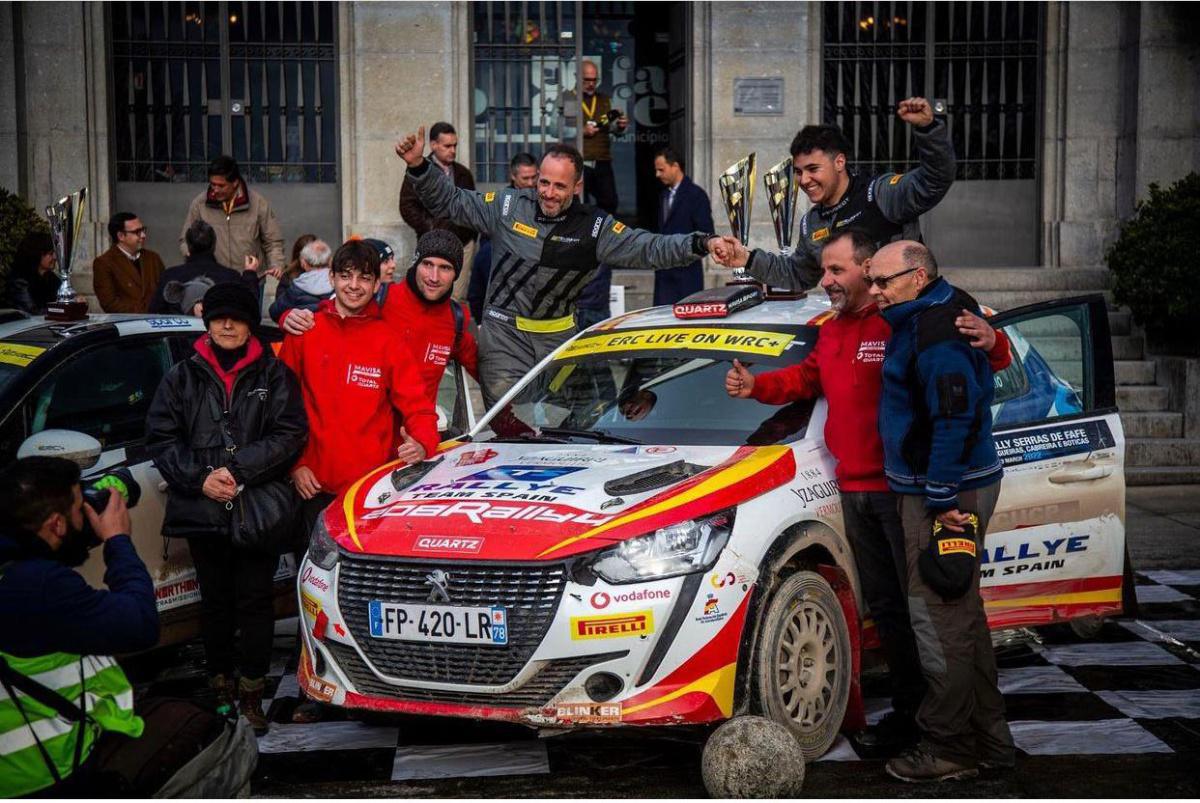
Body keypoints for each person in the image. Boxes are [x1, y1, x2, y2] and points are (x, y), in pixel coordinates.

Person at [724, 228, 1010, 758]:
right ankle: (914, 718)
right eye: (825, 272)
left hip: (911, 493)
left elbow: (968, 372)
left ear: (869, 272)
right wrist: (757, 387)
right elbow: (808, 380)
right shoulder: (833, 330)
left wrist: (998, 343)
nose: (828, 281)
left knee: (930, 614)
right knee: (892, 611)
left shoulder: (908, 320)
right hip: (854, 491)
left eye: (839, 271)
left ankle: (950, 738)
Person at [395, 130, 725, 407]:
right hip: (503, 337)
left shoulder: (595, 227)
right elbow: (453, 202)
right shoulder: (509, 205)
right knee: (513, 419)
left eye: (559, 186)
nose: (548, 194)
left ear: (577, 186)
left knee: (568, 423)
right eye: (543, 183)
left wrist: (700, 243)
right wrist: (419, 167)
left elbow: (649, 247)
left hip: (559, 340)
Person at [868, 240, 1012, 783]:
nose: (876, 291)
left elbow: (953, 416)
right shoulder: (937, 309)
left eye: (884, 282)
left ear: (919, 276)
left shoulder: (935, 329)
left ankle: (950, 747)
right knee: (962, 620)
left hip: (944, 497)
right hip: (949, 488)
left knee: (938, 622)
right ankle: (991, 745)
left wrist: (941, 498)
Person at [146, 281, 307, 736]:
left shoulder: (274, 374)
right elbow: (161, 436)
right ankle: (221, 691)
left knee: (255, 602)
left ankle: (253, 695)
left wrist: (237, 472)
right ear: (208, 322)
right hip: (203, 509)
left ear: (249, 322)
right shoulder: (182, 375)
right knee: (215, 602)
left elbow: (290, 432)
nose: (228, 325)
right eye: (219, 318)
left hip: (257, 508)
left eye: (236, 317)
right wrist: (201, 477)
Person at [0, 457, 157, 797]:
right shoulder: (40, 588)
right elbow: (141, 624)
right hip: (42, 774)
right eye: (77, 507)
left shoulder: (15, 574)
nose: (83, 513)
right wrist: (118, 540)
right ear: (56, 525)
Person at [279, 238, 439, 550]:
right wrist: (295, 464)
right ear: (331, 278)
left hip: (371, 493)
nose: (354, 286)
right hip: (313, 488)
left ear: (378, 283)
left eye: (365, 278)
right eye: (346, 276)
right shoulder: (304, 333)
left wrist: (422, 443)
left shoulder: (388, 340)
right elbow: (278, 409)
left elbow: (418, 406)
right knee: (316, 586)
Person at [715, 98, 955, 291]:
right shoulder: (812, 222)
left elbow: (933, 181)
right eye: (798, 172)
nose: (804, 180)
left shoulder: (880, 193)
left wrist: (928, 129)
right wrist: (746, 259)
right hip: (857, 332)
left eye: (813, 169)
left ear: (839, 162)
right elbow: (798, 275)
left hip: (904, 323)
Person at [278, 231, 478, 405]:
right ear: (415, 264)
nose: (433, 277)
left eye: (445, 268)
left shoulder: (456, 319)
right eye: (427, 264)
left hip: (415, 441)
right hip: (368, 439)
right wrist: (288, 316)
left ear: (456, 274)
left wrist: (505, 423)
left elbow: (487, 372)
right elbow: (331, 313)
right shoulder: (383, 297)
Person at [178, 155, 286, 279]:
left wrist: (277, 265)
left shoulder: (257, 203)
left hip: (250, 279)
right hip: (212, 279)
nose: (215, 190)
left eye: (221, 185)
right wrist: (193, 257)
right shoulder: (200, 204)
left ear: (235, 182)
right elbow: (185, 239)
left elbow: (273, 241)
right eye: (213, 184)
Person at [468, 152, 538, 321]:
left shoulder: (544, 201)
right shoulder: (500, 203)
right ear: (513, 177)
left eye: (534, 178)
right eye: (525, 178)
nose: (530, 184)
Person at [152, 219, 259, 314]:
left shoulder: (170, 275)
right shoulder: (230, 277)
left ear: (188, 247)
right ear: (214, 245)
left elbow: (155, 313)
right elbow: (249, 309)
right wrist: (250, 274)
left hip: (178, 335)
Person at [653, 147, 716, 305]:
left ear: (675, 166)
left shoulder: (696, 195)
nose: (657, 175)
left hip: (686, 276)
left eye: (661, 169)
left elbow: (707, 235)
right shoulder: (663, 195)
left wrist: (685, 255)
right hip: (664, 274)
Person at [399, 122, 478, 248]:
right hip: (431, 242)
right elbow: (407, 205)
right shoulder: (419, 170)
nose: (452, 150)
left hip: (463, 243)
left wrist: (470, 234)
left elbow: (473, 205)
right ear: (433, 145)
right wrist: (429, 227)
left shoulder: (463, 173)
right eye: (447, 146)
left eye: (454, 145)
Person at [573, 59, 627, 213]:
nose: (591, 84)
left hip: (602, 160)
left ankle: (603, 235)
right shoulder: (567, 97)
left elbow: (612, 128)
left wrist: (620, 127)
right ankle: (583, 235)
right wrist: (580, 131)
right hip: (577, 161)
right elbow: (554, 129)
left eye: (594, 80)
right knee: (579, 205)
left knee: (610, 202)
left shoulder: (605, 100)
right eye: (587, 80)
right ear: (577, 77)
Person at [91, 212, 166, 313]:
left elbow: (165, 290)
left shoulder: (153, 258)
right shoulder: (104, 263)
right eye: (137, 232)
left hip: (157, 323)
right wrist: (146, 312)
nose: (143, 235)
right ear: (121, 236)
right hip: (128, 324)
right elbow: (110, 304)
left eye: (143, 230)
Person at [3, 232, 81, 315]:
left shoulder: (51, 278)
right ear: (36, 254)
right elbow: (33, 312)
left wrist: (75, 302)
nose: (55, 257)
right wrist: (64, 309)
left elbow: (62, 300)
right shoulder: (19, 281)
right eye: (50, 254)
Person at [267, 238, 334, 321]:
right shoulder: (340, 285)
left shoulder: (295, 289)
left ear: (303, 263)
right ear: (330, 261)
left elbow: (274, 312)